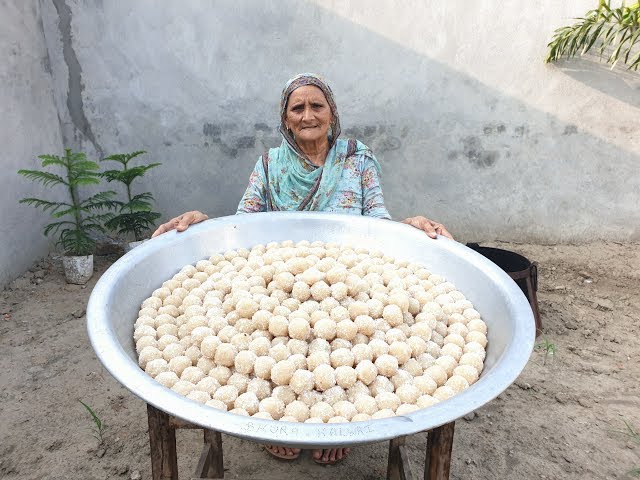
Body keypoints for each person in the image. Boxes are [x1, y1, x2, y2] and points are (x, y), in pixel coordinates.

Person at [152, 73, 453, 464]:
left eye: (317, 106)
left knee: (354, 349)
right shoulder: (269, 165)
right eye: (298, 108)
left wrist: (408, 225)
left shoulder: (356, 158)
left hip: (351, 279)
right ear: (286, 118)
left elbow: (377, 219)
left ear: (332, 112)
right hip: (280, 281)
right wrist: (204, 224)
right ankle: (271, 416)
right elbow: (244, 225)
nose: (308, 115)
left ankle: (342, 421)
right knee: (266, 345)